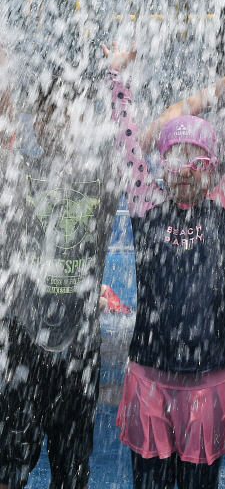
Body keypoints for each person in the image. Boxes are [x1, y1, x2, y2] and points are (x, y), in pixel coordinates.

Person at [105, 35, 225, 489]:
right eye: (177, 158)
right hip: (149, 375)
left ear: (213, 168)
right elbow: (128, 145)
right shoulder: (147, 207)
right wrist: (117, 79)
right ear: (163, 164)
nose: (187, 170)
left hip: (209, 380)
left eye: (199, 161)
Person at [0, 64, 121, 489]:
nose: (57, 122)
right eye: (47, 112)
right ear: (34, 118)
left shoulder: (100, 175)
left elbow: (132, 142)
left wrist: (119, 81)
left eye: (66, 110)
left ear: (81, 115)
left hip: (78, 352)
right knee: (8, 467)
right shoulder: (15, 173)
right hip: (21, 348)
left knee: (73, 475)